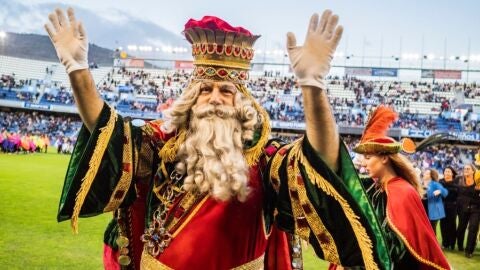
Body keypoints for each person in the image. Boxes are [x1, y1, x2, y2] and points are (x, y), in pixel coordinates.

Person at [45, 8, 394, 270]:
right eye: (206, 89)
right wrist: (78, 70)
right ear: (192, 97)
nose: (214, 98)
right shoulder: (160, 146)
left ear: (242, 101)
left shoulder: (267, 159)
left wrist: (313, 88)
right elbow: (109, 136)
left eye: (226, 90)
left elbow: (322, 163)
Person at [351, 106, 450, 269]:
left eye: (368, 157)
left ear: (384, 158)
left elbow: (399, 249)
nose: (363, 162)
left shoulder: (402, 192)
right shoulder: (375, 188)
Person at [456, 163, 480, 258]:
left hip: (476, 208)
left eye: (468, 169)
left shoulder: (478, 181)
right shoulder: (459, 180)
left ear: (473, 171)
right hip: (463, 208)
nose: (466, 170)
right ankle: (460, 245)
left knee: (473, 228)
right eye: (465, 168)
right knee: (461, 227)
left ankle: (469, 250)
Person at [422, 168, 448, 234]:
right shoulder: (421, 184)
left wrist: (440, 191)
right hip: (423, 210)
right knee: (424, 230)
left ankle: (433, 244)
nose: (424, 174)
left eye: (427, 173)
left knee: (432, 230)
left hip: (433, 210)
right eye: (425, 172)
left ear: (431, 175)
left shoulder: (435, 184)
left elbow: (445, 192)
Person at [439, 166, 458, 250]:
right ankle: (445, 243)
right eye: (445, 171)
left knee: (452, 224)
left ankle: (452, 243)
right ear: (443, 173)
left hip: (452, 206)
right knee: (443, 224)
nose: (447, 173)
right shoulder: (440, 182)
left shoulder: (455, 183)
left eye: (449, 171)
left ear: (452, 173)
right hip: (442, 206)